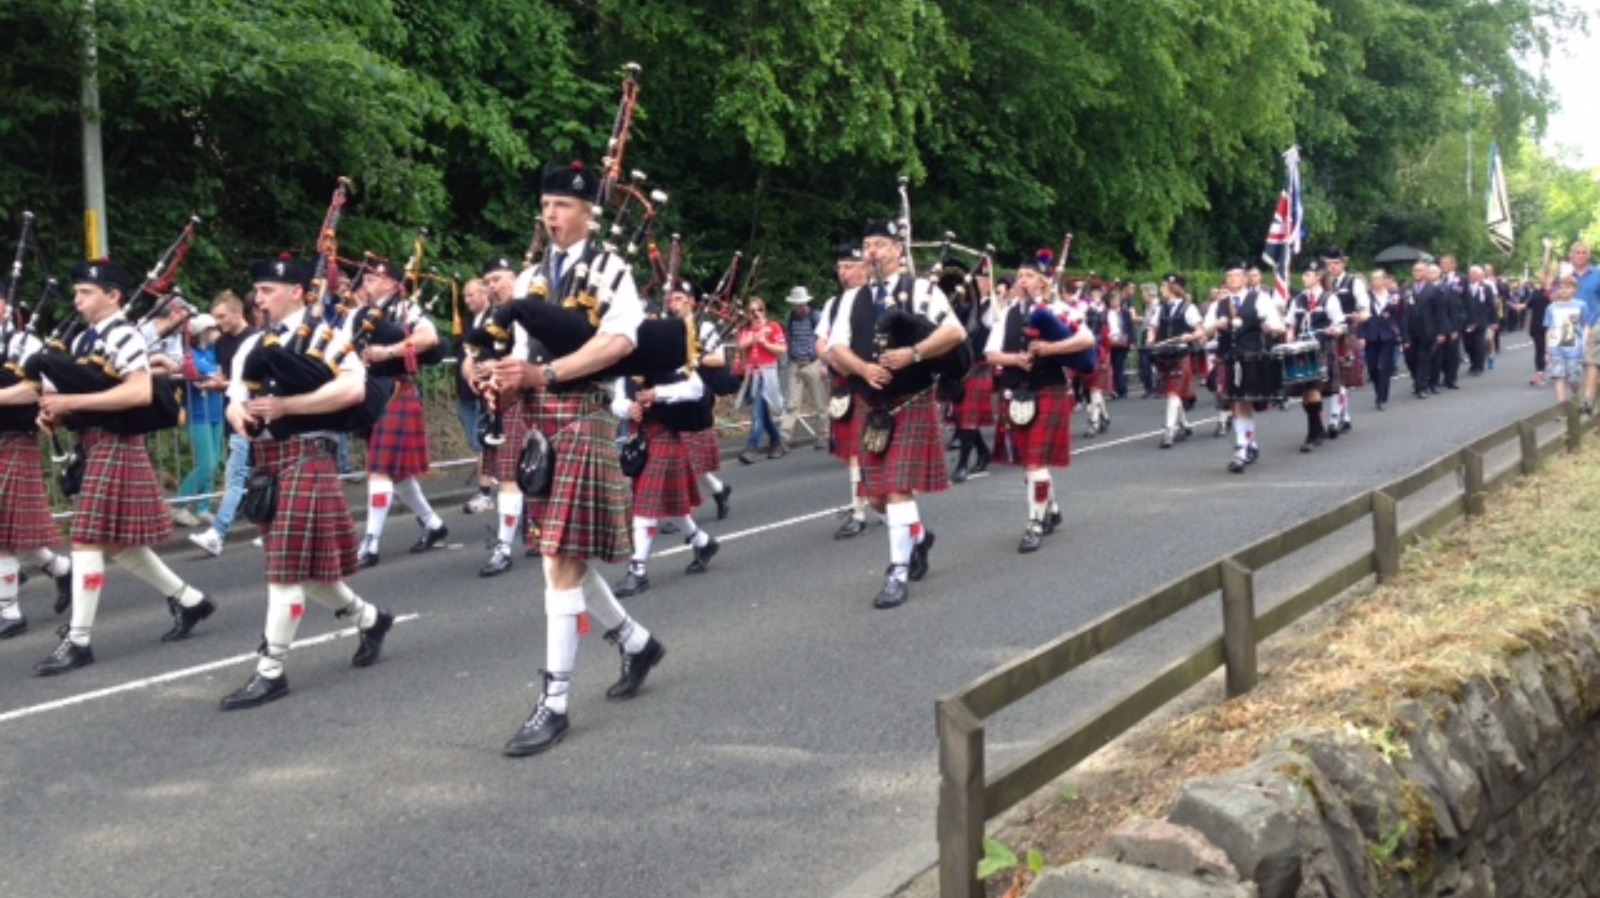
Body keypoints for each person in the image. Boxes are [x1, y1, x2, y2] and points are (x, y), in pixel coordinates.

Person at [491, 161, 667, 757]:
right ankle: (636, 642)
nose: (551, 214)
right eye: (546, 205)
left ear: (589, 214)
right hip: (537, 420)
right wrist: (499, 378)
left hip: (581, 415)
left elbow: (620, 342)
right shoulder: (530, 276)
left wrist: (547, 373)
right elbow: (517, 347)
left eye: (563, 205)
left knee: (560, 561)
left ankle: (556, 703)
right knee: (559, 555)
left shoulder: (612, 269)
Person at [216, 255, 395, 709]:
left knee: (285, 570)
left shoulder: (325, 336)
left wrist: (287, 408)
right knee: (304, 569)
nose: (258, 299)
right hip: (267, 461)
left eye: (268, 291)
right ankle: (370, 619)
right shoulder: (251, 344)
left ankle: (270, 670)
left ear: (297, 291)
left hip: (307, 456)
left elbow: (353, 389)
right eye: (257, 291)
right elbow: (235, 398)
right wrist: (240, 419)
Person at [31, 260, 215, 675]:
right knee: (116, 544)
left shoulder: (124, 334)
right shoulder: (84, 339)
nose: (77, 300)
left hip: (116, 444)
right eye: (77, 292)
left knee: (85, 539)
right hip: (94, 443)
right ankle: (190, 601)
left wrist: (71, 402)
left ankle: (79, 640)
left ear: (113, 296)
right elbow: (91, 394)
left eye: (86, 292)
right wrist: (58, 414)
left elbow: (138, 391)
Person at [823, 218, 965, 607]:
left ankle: (897, 572)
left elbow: (954, 333)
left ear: (899, 250)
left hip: (911, 400)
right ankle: (918, 536)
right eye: (867, 245)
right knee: (874, 497)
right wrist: (863, 369)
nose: (872, 252)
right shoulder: (852, 299)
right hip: (871, 404)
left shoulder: (921, 290)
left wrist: (914, 354)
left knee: (899, 488)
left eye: (880, 244)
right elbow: (836, 348)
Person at [987, 257, 1090, 552]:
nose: (1022, 280)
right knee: (1029, 462)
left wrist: (1051, 347)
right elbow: (991, 354)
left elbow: (1086, 340)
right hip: (1017, 392)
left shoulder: (1058, 309)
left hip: (1048, 389)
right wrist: (1015, 359)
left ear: (1043, 282)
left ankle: (1035, 522)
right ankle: (1051, 509)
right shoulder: (1007, 313)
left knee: (1034, 461)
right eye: (1020, 275)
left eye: (1029, 275)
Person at [353, 257, 448, 568]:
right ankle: (433, 524)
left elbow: (429, 337)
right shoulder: (360, 312)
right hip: (369, 393)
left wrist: (389, 351)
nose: (365, 283)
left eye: (372, 278)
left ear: (392, 284)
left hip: (395, 390)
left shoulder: (406, 309)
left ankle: (370, 544)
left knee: (379, 468)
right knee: (397, 473)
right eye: (365, 278)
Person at [609, 357, 720, 596]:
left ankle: (638, 571)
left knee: (644, 506)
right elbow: (617, 399)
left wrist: (656, 394)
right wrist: (628, 408)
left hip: (666, 435)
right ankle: (703, 543)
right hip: (642, 439)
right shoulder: (624, 359)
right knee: (671, 506)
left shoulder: (669, 353)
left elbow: (696, 388)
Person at [0, 288, 72, 638]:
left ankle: (9, 612)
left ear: (3, 306)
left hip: (14, 440)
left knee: (2, 531)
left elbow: (39, 389)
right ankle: (62, 569)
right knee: (17, 535)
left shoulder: (25, 343)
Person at [467, 256, 528, 576]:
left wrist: (497, 367)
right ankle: (504, 547)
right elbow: (475, 356)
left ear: (514, 278)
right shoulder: (491, 318)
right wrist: (475, 372)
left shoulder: (532, 309)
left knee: (540, 473)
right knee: (508, 474)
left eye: (497, 279)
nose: (492, 286)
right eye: (488, 281)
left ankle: (539, 530)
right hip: (506, 402)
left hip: (537, 398)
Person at [188, 290, 256, 556]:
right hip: (233, 412)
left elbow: (249, 381)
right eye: (215, 318)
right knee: (246, 474)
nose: (218, 323)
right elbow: (224, 375)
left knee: (236, 476)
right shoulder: (223, 343)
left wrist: (221, 384)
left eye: (222, 317)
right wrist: (218, 383)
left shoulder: (254, 339)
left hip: (252, 414)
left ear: (237, 313)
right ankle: (272, 527)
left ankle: (218, 532)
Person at [1205, 259, 1285, 474]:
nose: (1233, 279)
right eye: (1229, 276)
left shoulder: (1259, 298)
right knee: (1238, 403)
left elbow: (1277, 326)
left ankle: (1242, 448)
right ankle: (1248, 444)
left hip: (1250, 357)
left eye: (1237, 275)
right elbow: (1205, 330)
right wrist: (1216, 325)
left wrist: (1269, 327)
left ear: (1246, 278)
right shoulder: (1219, 304)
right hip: (1227, 358)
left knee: (1243, 402)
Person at [816, 244, 873, 537]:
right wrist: (839, 362)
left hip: (873, 383)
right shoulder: (833, 303)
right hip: (845, 383)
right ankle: (858, 509)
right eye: (839, 267)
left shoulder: (876, 297)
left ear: (864, 267)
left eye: (848, 266)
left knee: (875, 448)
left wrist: (860, 368)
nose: (842, 272)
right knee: (854, 450)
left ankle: (881, 502)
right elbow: (821, 344)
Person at [1286, 260, 1346, 451]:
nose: (1304, 278)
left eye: (1308, 275)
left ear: (1318, 277)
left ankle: (1313, 434)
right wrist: (1289, 336)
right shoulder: (1298, 300)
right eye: (1303, 274)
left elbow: (1340, 323)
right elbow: (1290, 324)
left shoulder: (1329, 299)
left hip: (1321, 348)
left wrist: (1334, 330)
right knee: (1306, 393)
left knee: (1312, 389)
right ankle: (1317, 428)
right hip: (1301, 350)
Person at [176, 314, 224, 524]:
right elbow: (205, 374)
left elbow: (221, 373)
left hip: (216, 412)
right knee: (207, 463)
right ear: (202, 333)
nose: (216, 333)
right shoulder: (191, 354)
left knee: (216, 461)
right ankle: (179, 504)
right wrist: (216, 377)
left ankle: (204, 505)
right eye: (211, 329)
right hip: (198, 414)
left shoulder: (214, 352)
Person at [1145, 274, 1203, 448]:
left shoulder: (1189, 308)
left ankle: (1169, 431)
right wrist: (1150, 338)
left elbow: (1200, 330)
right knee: (1173, 392)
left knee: (1173, 392)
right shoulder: (1160, 308)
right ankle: (1184, 425)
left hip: (1180, 353)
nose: (1161, 290)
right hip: (1164, 355)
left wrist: (1190, 336)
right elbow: (1152, 328)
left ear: (1173, 288)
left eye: (1163, 286)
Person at [458, 277, 496, 514]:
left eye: (470, 295)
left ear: (485, 294)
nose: (467, 300)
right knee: (479, 443)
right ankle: (490, 487)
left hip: (489, 389)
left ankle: (486, 493)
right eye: (464, 295)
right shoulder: (467, 320)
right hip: (467, 391)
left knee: (484, 441)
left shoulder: (497, 317)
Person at [1322, 247, 1369, 433]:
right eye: (1329, 264)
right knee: (1334, 376)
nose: (1332, 267)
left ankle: (1335, 417)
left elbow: (1364, 307)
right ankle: (1344, 415)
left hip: (1346, 332)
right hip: (1328, 334)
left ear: (1343, 263)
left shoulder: (1354, 282)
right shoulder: (1324, 283)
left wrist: (1361, 315)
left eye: (1335, 263)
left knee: (1341, 376)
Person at [735, 297, 787, 463]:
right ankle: (778, 441)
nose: (756, 314)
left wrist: (765, 342)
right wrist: (756, 336)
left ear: (765, 311)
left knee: (757, 412)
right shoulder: (745, 329)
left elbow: (782, 349)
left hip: (767, 373)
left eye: (760, 310)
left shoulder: (773, 326)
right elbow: (741, 345)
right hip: (752, 374)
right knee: (763, 413)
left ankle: (752, 448)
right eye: (752, 311)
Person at [778, 286, 828, 448]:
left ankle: (824, 434)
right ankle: (784, 437)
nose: (797, 307)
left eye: (800, 303)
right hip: (795, 363)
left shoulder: (816, 316)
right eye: (795, 304)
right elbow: (789, 338)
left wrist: (825, 363)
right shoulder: (790, 317)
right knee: (792, 403)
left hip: (813, 362)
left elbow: (824, 340)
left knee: (820, 402)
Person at [1360, 270, 1404, 410]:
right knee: (1372, 366)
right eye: (1373, 278)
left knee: (1385, 366)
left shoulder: (1393, 296)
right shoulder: (1366, 296)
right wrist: (1361, 336)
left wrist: (1403, 335)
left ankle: (1382, 397)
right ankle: (1378, 389)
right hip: (1371, 334)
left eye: (1378, 278)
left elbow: (1400, 316)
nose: (1375, 281)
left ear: (1385, 280)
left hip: (1388, 334)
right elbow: (1361, 318)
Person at [1544, 274, 1585, 405]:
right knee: (1559, 377)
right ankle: (1562, 408)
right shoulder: (1552, 308)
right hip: (1556, 348)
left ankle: (1580, 400)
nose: (1564, 290)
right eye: (1561, 287)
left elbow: (1584, 326)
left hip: (1574, 349)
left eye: (1568, 287)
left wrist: (1584, 344)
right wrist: (1547, 350)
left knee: (1574, 380)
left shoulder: (1581, 306)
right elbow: (1549, 329)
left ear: (1575, 289)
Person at [1106, 284, 1135, 400]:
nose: (1114, 302)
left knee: (1119, 366)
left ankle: (1121, 389)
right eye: (1112, 300)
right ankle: (1114, 389)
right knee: (1112, 366)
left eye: (1116, 300)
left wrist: (1132, 342)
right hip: (1111, 341)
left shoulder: (1125, 313)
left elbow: (1130, 327)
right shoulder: (1107, 313)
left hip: (1122, 341)